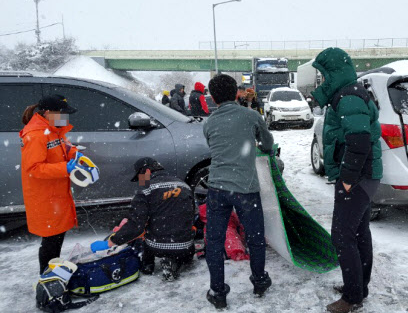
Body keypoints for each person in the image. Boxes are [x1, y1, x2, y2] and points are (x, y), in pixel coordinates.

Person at [310, 47, 382, 313]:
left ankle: (352, 298)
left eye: (323, 74)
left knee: (342, 236)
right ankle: (359, 287)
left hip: (357, 177)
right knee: (359, 233)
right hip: (365, 176)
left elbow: (359, 141)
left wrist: (348, 179)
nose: (321, 80)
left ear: (334, 72)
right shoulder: (348, 93)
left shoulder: (349, 97)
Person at [203, 74, 274, 309]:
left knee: (214, 241)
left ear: (213, 98)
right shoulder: (251, 116)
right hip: (246, 188)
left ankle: (218, 291)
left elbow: (214, 146)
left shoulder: (209, 122)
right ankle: (260, 281)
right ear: (237, 93)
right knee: (255, 237)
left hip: (217, 188)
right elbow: (267, 144)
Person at [90, 157, 196, 282]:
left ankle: (148, 265)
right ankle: (175, 259)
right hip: (186, 247)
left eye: (140, 178)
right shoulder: (184, 185)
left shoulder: (146, 189)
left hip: (158, 246)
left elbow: (136, 226)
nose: (140, 182)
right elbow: (192, 215)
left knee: (143, 238)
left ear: (147, 172)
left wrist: (111, 242)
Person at [19, 94, 81, 275]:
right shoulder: (36, 135)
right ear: (47, 113)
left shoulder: (54, 129)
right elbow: (34, 168)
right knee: (51, 241)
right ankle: (48, 282)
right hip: (45, 198)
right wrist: (65, 168)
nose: (65, 118)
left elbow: (65, 147)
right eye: (62, 113)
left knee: (57, 237)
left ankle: (53, 276)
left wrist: (76, 155)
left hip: (56, 195)